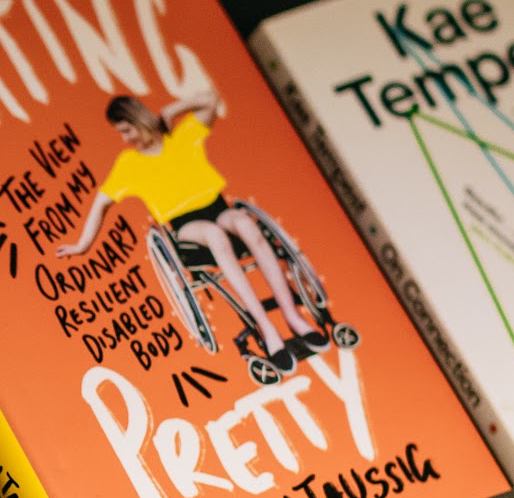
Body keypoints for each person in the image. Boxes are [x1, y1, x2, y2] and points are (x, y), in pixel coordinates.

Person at [58, 91, 326, 373]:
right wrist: (82, 245)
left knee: (247, 225)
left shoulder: (182, 137)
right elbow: (101, 203)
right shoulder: (128, 164)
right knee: (214, 236)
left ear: (139, 120)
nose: (125, 139)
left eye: (127, 130)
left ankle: (293, 317)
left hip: (216, 207)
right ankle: (267, 328)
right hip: (186, 226)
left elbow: (211, 98)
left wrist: (170, 112)